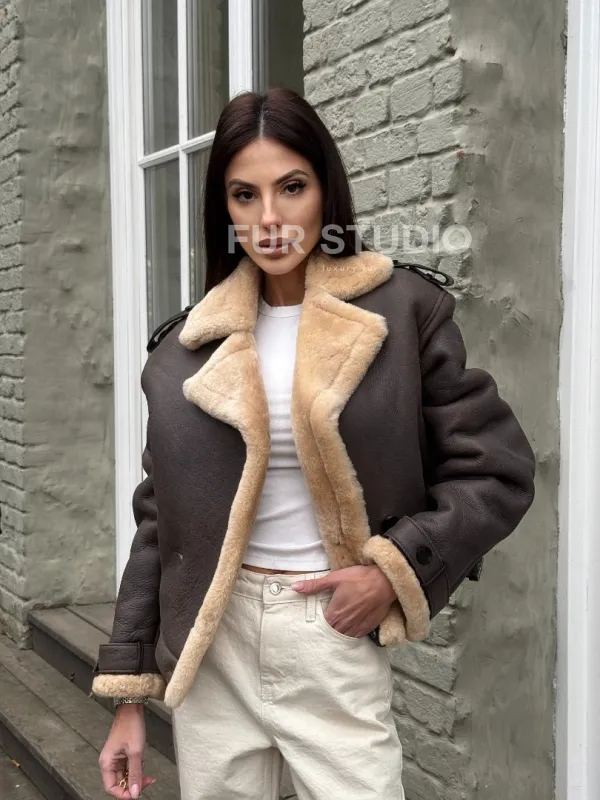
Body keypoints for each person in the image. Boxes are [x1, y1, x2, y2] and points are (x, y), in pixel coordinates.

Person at [93, 87, 536, 800]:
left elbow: (497, 471)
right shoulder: (183, 350)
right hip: (213, 643)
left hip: (329, 631)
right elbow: (158, 523)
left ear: (326, 190)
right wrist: (128, 692)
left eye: (291, 187)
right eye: (245, 195)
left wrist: (392, 571)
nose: (269, 218)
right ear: (224, 210)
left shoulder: (404, 312)